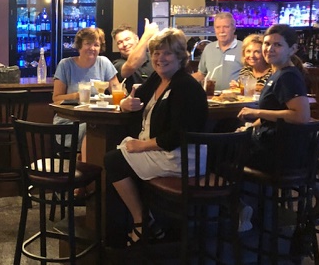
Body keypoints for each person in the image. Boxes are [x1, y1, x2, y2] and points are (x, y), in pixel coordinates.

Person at [103, 28, 208, 244]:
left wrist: (141, 146)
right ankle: (146, 223)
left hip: (182, 157)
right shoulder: (159, 78)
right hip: (166, 152)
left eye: (166, 53)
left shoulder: (185, 86)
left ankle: (141, 222)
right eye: (156, 53)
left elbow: (179, 134)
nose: (160, 59)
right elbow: (134, 96)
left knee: (113, 160)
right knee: (118, 154)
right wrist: (124, 103)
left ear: (180, 56)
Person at [237, 24, 311, 171]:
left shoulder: (287, 76)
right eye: (267, 43)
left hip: (279, 154)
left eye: (277, 45)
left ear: (293, 49)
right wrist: (251, 126)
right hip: (277, 146)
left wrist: (257, 112)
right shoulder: (279, 73)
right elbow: (273, 112)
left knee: (217, 151)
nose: (269, 49)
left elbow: (301, 116)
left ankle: (227, 192)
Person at [52, 28, 120, 155]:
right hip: (70, 120)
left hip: (98, 118)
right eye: (88, 43)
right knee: (92, 129)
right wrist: (78, 96)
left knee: (107, 129)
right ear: (79, 46)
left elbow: (117, 91)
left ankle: (98, 167)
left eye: (96, 45)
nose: (92, 48)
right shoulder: (66, 65)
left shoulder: (104, 63)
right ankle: (87, 167)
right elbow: (56, 98)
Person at [192, 12, 243, 91]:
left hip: (237, 99)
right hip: (212, 98)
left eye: (226, 27)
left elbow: (251, 76)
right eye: (218, 27)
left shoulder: (244, 48)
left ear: (233, 28)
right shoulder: (209, 48)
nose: (221, 31)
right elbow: (201, 74)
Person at [112, 20, 158, 93]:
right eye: (119, 42)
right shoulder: (118, 64)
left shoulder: (153, 58)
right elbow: (131, 65)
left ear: (136, 39)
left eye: (127, 39)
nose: (124, 44)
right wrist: (146, 35)